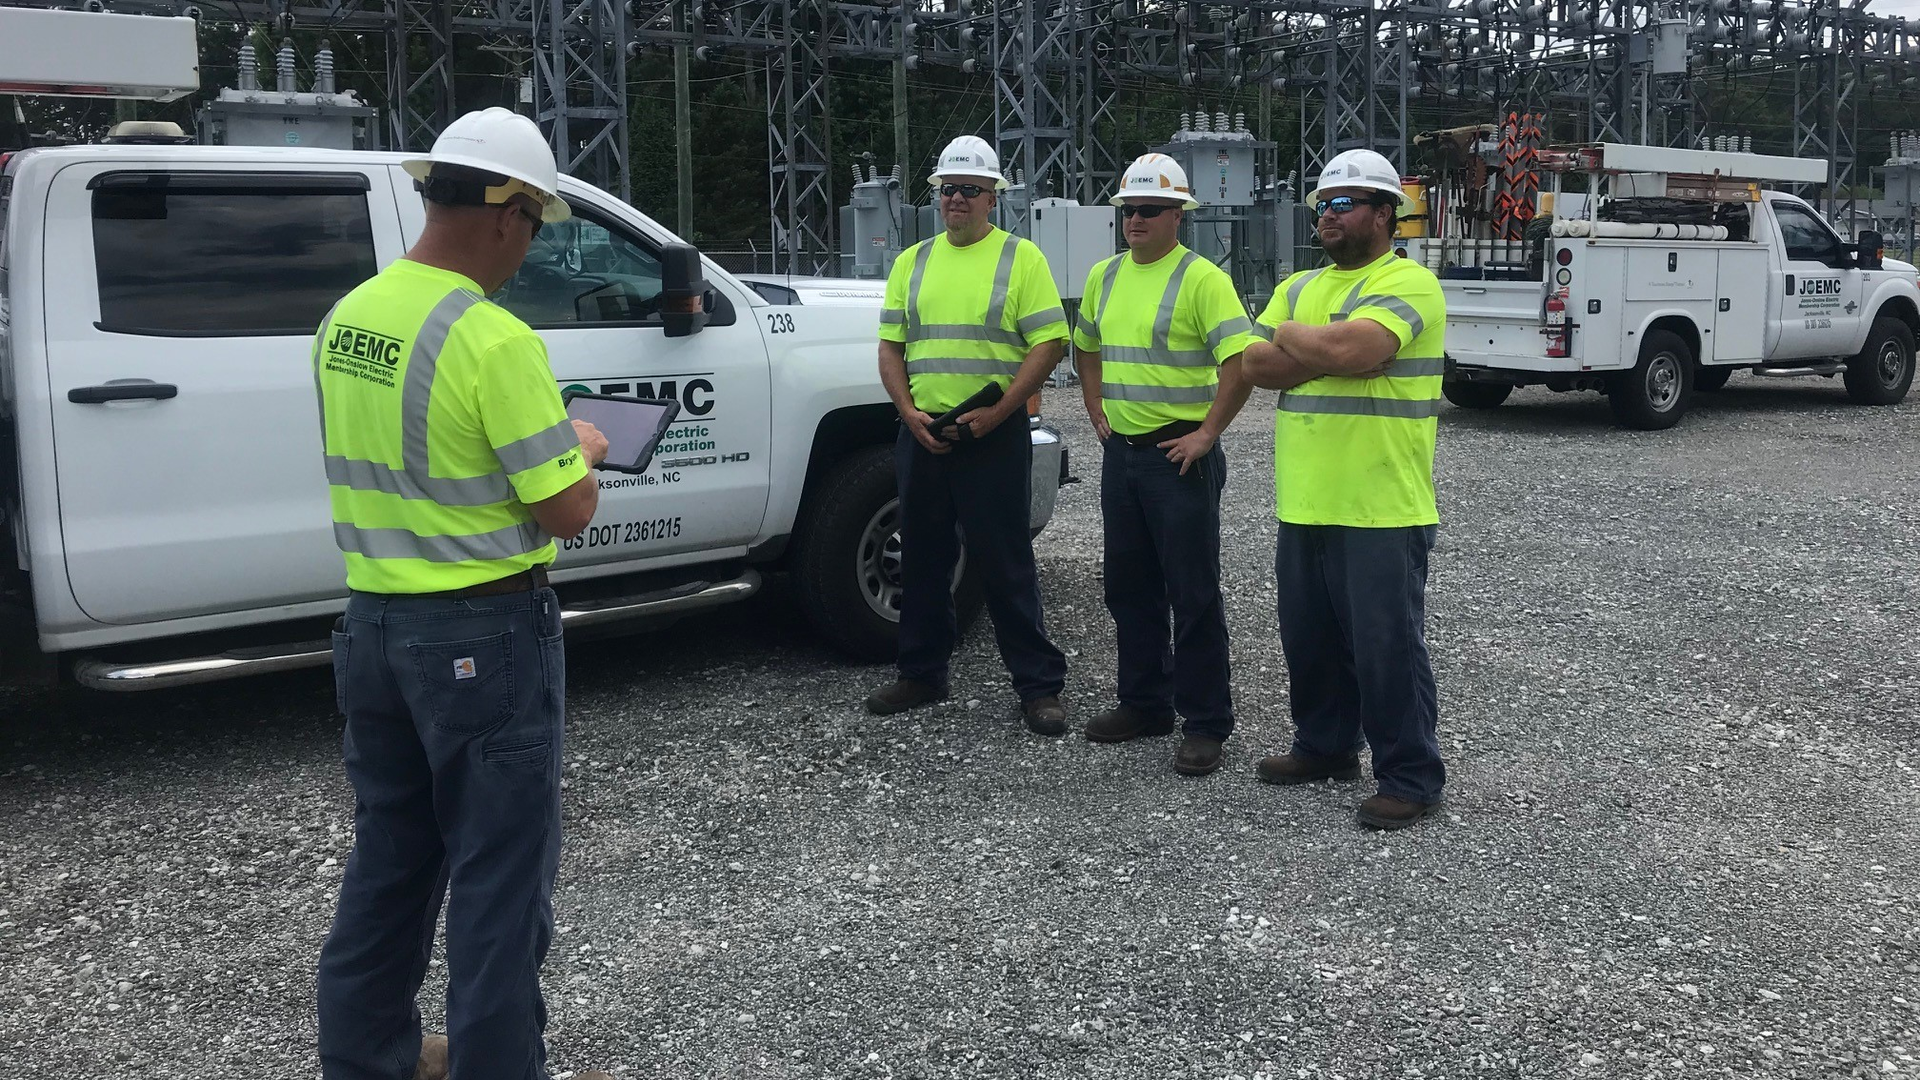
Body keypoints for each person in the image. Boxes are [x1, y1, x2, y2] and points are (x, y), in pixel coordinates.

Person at [312, 107, 615, 1080]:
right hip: (482, 633)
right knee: (498, 878)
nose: (527, 252)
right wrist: (586, 448)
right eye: (534, 227)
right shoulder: (493, 338)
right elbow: (566, 509)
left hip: (372, 626)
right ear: (506, 211)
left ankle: (368, 1060)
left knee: (392, 862)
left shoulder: (350, 317)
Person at [1240, 148, 1449, 830]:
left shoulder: (1411, 284)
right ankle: (1325, 746)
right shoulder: (1303, 284)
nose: (1327, 216)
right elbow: (1254, 364)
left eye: (1343, 204)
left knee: (1387, 645)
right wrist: (1320, 349)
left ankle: (1410, 775)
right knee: (1310, 637)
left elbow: (1349, 352)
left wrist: (1300, 341)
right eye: (1322, 205)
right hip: (1305, 498)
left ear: (1384, 215)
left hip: (1382, 504)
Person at [864, 134, 1073, 736]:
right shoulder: (913, 261)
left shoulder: (1020, 259)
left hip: (992, 433)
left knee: (1005, 562)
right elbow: (891, 347)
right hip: (924, 433)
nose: (956, 199)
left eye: (970, 190)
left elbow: (1048, 343)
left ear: (992, 198)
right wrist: (907, 414)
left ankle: (1038, 686)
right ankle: (922, 674)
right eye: (947, 189)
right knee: (923, 560)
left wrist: (1003, 411)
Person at [1072, 153, 1259, 775]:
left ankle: (1206, 722)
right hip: (1123, 455)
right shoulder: (1105, 276)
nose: (1135, 220)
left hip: (1178, 456)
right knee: (1128, 587)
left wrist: (1207, 434)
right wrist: (1096, 411)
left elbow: (1240, 362)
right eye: (1128, 209)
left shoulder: (1202, 279)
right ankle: (1144, 703)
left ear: (1179, 215)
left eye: (1149, 209)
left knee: (1193, 591)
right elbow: (1087, 347)